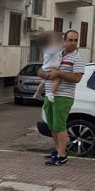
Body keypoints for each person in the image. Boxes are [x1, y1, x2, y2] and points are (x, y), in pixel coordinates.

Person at [38, 30, 85, 165]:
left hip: (64, 96)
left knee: (60, 126)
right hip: (49, 95)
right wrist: (46, 75)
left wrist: (59, 73)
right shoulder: (55, 54)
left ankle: (62, 156)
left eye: (75, 40)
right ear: (64, 41)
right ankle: (59, 150)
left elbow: (77, 78)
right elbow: (41, 70)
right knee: (52, 126)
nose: (73, 43)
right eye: (70, 40)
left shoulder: (78, 58)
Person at [32, 30, 63, 102]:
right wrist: (62, 43)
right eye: (53, 40)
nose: (55, 41)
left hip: (45, 68)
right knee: (57, 80)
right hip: (50, 69)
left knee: (43, 81)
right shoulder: (51, 49)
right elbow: (58, 48)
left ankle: (37, 93)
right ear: (49, 42)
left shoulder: (46, 49)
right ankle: (51, 94)